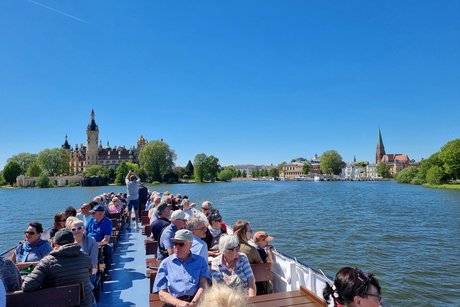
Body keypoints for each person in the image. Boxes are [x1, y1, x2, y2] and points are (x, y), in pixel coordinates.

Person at [22, 229, 94, 307]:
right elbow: (89, 276)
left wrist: (25, 277)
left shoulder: (47, 262)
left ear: (55, 245)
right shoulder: (86, 258)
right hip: (84, 304)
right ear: (73, 241)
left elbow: (27, 286)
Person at [153, 229, 210, 306]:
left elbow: (203, 286)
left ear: (190, 245)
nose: (176, 247)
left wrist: (194, 302)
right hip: (173, 303)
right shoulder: (166, 263)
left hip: (196, 302)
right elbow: (162, 293)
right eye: (175, 243)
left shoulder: (200, 261)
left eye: (181, 244)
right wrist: (178, 303)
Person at [86, 205, 113, 280]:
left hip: (99, 243)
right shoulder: (91, 220)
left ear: (100, 214)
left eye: (93, 213)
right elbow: (84, 232)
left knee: (108, 249)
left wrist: (96, 244)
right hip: (88, 242)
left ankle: (106, 271)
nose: (92, 214)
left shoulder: (108, 222)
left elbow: (106, 239)